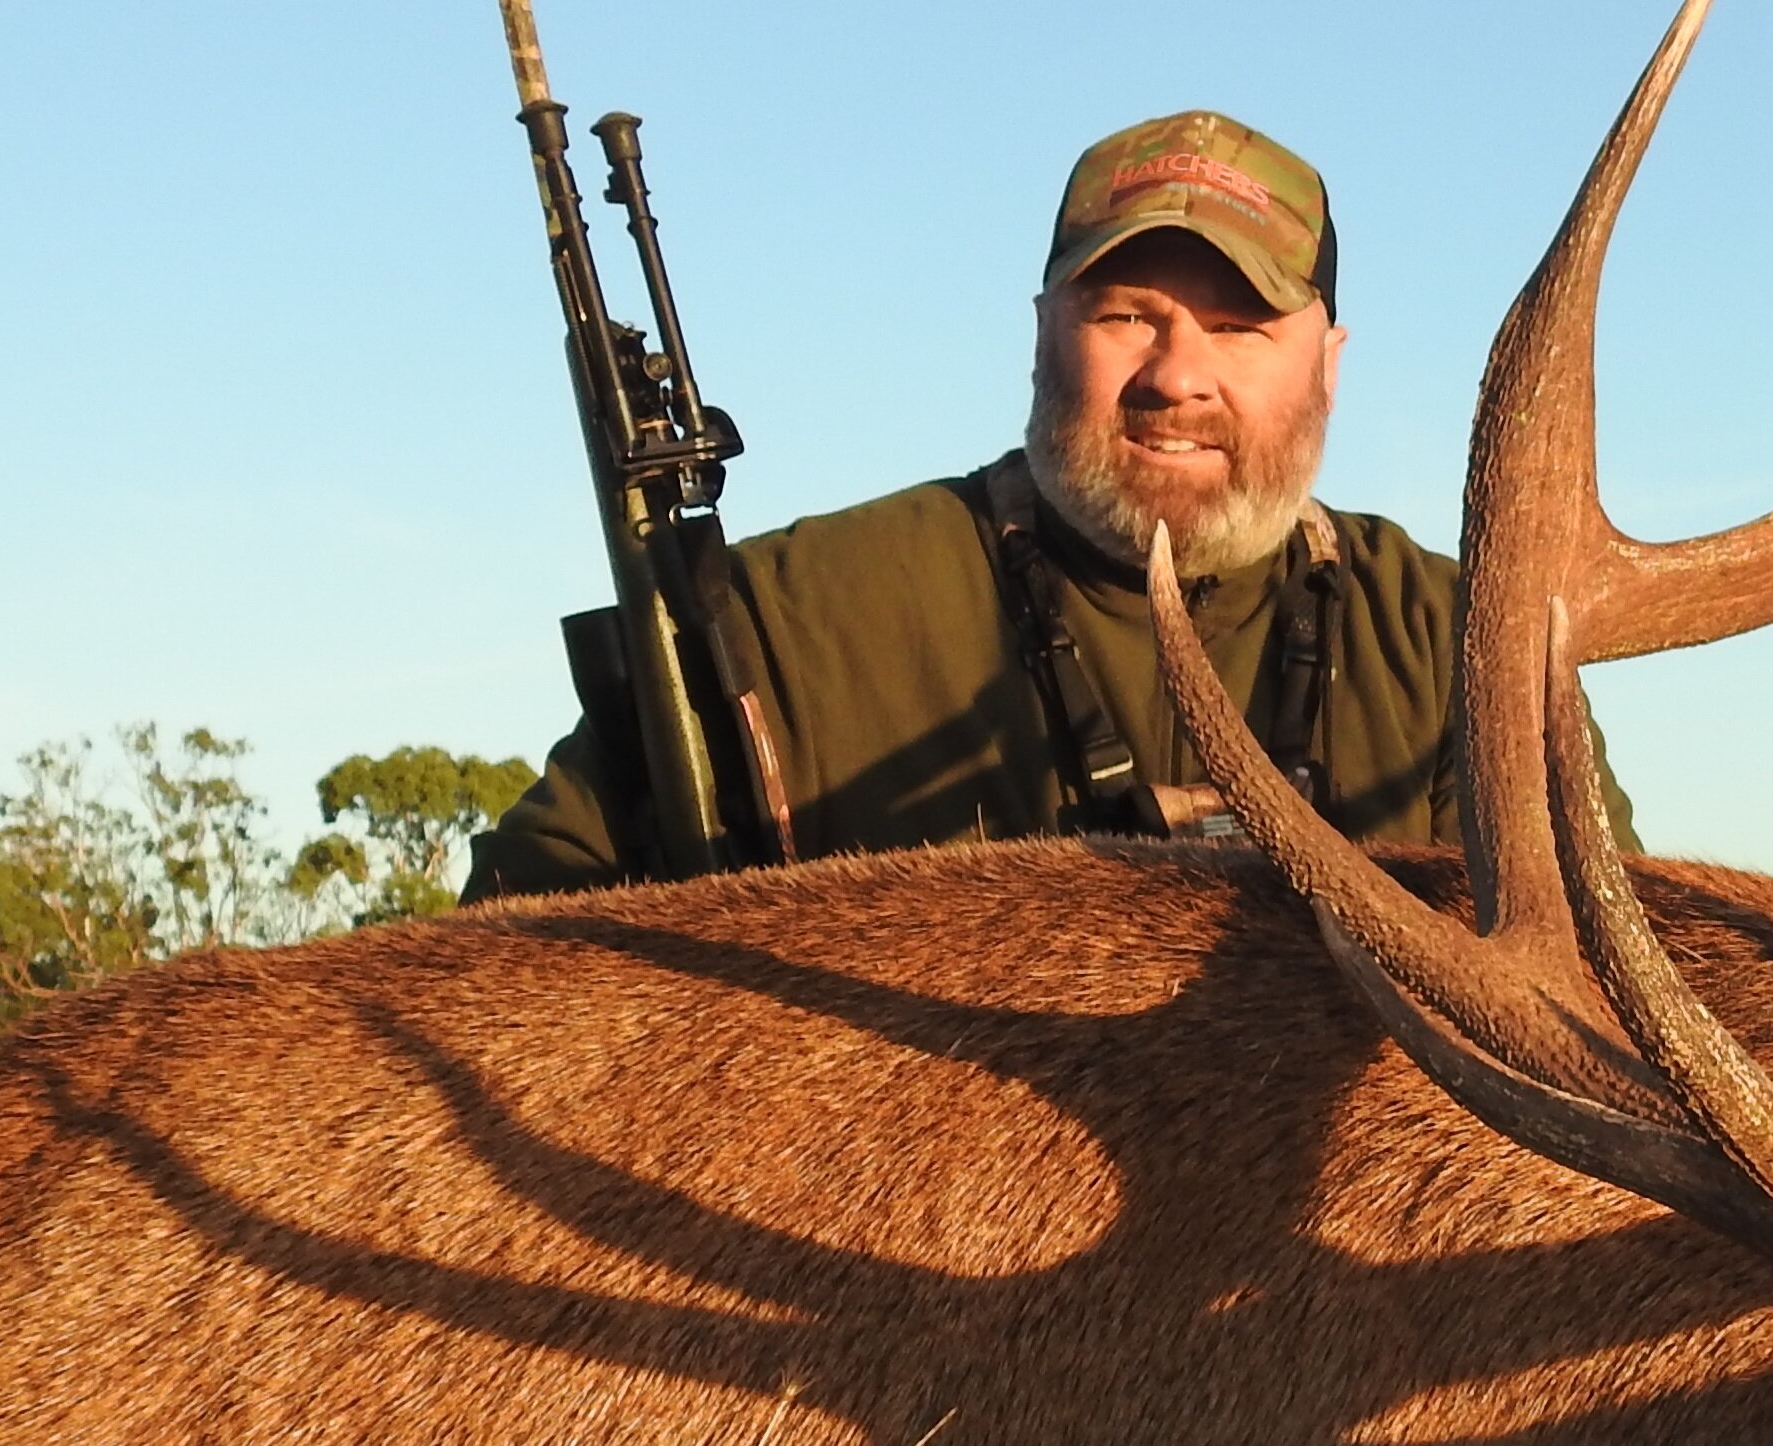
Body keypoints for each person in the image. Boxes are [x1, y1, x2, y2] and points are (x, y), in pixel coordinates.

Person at [468, 109, 1489, 898]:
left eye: (1239, 327)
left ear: (1330, 365)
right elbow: (515, 938)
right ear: (1044, 333)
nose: (1178, 376)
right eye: (1128, 315)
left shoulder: (1460, 650)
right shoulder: (791, 620)